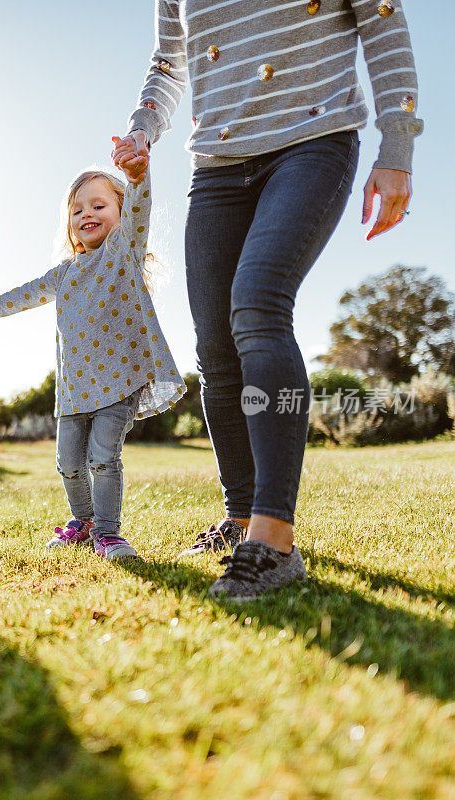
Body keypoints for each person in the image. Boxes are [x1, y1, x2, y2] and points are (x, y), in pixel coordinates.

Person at [113, 0, 422, 598]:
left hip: (313, 141)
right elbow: (169, 63)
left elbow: (383, 23)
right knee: (215, 346)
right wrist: (142, 127)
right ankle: (241, 516)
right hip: (218, 164)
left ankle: (275, 538)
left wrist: (397, 151)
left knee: (257, 304)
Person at [0, 148, 186, 560]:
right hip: (74, 388)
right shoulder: (64, 274)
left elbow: (141, 206)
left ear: (120, 212)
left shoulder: (123, 252)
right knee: (68, 462)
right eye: (77, 209)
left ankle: (109, 532)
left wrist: (138, 177)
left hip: (120, 381)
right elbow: (23, 294)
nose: (87, 214)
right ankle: (82, 521)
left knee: (103, 458)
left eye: (99, 205)